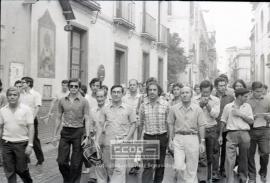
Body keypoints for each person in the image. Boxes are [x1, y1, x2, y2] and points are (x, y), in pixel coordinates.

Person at [52, 78, 91, 183]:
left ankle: (73, 181)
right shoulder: (62, 100)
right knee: (61, 161)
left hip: (78, 132)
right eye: (71, 86)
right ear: (68, 87)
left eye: (76, 86)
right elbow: (58, 117)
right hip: (65, 132)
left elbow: (87, 119)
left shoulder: (84, 101)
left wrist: (87, 136)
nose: (73, 88)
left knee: (76, 163)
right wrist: (54, 135)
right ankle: (69, 179)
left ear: (79, 87)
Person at [96, 85, 136, 183]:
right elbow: (100, 126)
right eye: (114, 92)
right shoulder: (105, 109)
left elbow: (134, 124)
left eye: (118, 92)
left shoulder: (129, 108)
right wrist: (96, 140)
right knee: (109, 168)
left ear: (122, 94)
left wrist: (127, 138)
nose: (116, 94)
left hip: (122, 142)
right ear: (111, 93)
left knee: (119, 170)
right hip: (108, 143)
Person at [168, 86, 206, 182]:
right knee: (179, 166)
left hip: (192, 138)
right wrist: (170, 140)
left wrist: (202, 142)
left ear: (191, 95)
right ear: (180, 95)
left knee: (192, 167)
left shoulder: (197, 109)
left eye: (187, 93)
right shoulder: (174, 109)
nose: (184, 95)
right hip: (178, 137)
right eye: (182, 93)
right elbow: (170, 124)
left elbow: (201, 125)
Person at [218, 88, 254, 183]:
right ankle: (230, 179)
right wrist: (220, 136)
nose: (247, 98)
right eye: (245, 96)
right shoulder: (228, 107)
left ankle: (243, 178)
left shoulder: (248, 106)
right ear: (239, 96)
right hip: (231, 133)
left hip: (244, 133)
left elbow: (251, 121)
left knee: (244, 158)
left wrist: (240, 114)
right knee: (229, 159)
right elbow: (223, 121)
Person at [0, 87, 34, 183]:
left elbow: (31, 127)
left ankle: (28, 181)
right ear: (7, 97)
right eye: (10, 95)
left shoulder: (26, 109)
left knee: (21, 169)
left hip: (21, 143)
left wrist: (30, 145)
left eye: (15, 95)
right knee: (9, 170)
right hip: (6, 143)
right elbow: (1, 127)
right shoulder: (2, 110)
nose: (12, 97)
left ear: (18, 96)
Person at [138, 82, 170, 183]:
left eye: (154, 90)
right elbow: (141, 123)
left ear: (158, 91)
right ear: (147, 92)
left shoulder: (165, 104)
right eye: (150, 90)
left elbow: (168, 123)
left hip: (162, 137)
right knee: (148, 165)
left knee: (160, 164)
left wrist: (169, 139)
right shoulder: (143, 105)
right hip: (148, 138)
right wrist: (139, 139)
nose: (152, 92)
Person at [193, 80, 220, 182]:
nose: (205, 94)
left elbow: (216, 115)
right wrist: (200, 105)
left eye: (207, 92)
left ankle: (209, 177)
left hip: (211, 128)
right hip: (199, 130)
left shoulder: (216, 100)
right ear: (200, 90)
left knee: (211, 155)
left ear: (211, 91)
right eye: (203, 92)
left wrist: (208, 106)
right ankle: (202, 178)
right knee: (200, 155)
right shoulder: (194, 99)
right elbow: (193, 114)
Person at [247, 81, 270, 183]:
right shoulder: (247, 101)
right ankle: (252, 176)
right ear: (252, 91)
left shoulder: (267, 100)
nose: (260, 93)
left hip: (264, 129)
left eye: (261, 91)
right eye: (257, 91)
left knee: (265, 153)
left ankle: (263, 173)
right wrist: (251, 117)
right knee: (250, 154)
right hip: (250, 129)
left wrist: (268, 117)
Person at [212, 77, 235, 179]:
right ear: (216, 86)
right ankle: (215, 172)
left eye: (224, 85)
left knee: (226, 150)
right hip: (214, 127)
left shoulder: (230, 98)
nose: (223, 87)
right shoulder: (212, 97)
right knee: (215, 150)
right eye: (220, 85)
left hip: (226, 127)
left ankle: (223, 170)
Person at [21, 76, 44, 166]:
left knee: (33, 140)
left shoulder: (36, 94)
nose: (22, 84)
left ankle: (40, 159)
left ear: (28, 83)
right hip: (22, 120)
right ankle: (26, 159)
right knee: (23, 139)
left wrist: (31, 119)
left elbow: (37, 107)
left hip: (32, 120)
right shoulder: (21, 94)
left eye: (23, 82)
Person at [122, 79, 141, 175]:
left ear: (137, 86)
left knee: (137, 143)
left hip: (138, 123)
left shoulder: (140, 97)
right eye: (131, 85)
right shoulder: (125, 98)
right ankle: (131, 164)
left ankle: (136, 164)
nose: (132, 86)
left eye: (134, 85)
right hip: (128, 123)